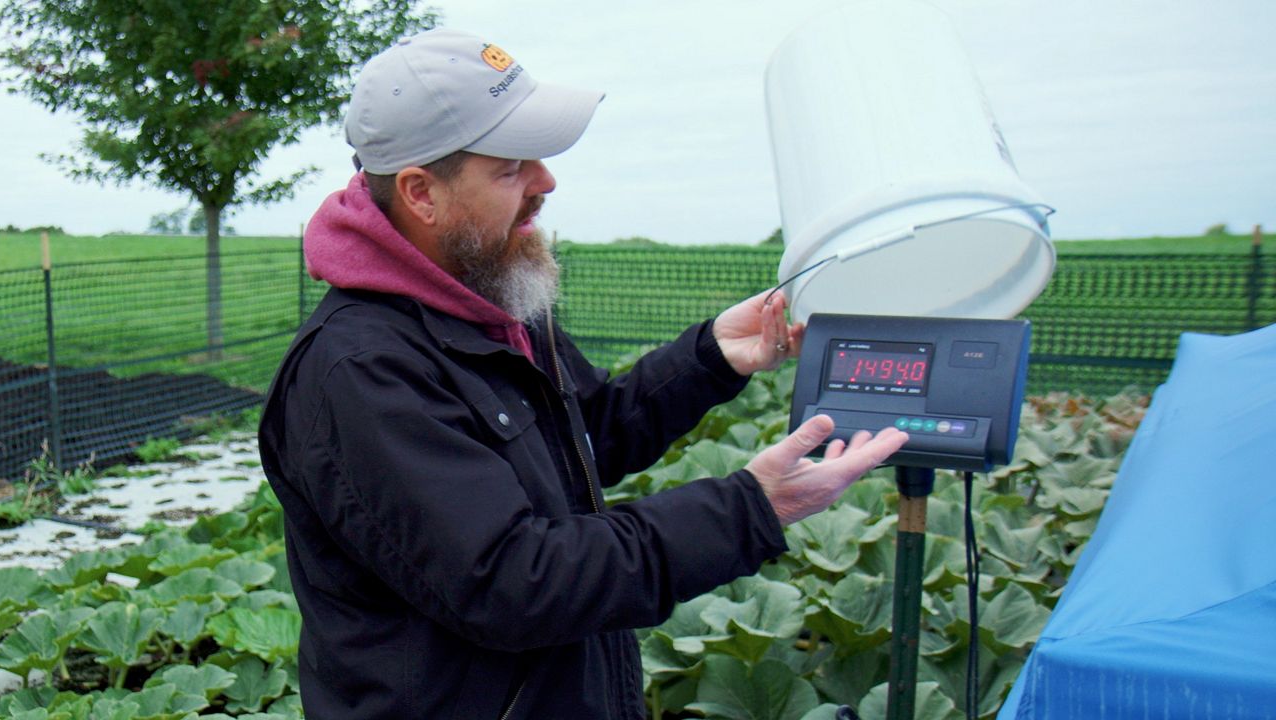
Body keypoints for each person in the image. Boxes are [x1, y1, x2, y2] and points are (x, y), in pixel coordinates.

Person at [258, 28, 908, 720]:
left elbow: (586, 436)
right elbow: (513, 582)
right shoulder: (359, 372)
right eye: (511, 167)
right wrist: (750, 507)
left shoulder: (486, 296)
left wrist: (713, 355)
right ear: (421, 193)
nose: (546, 182)